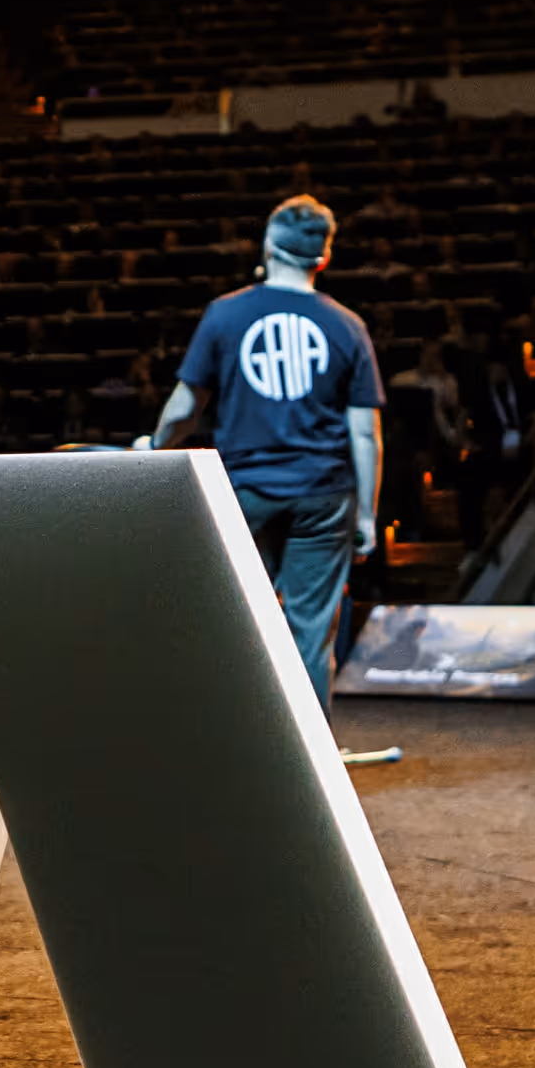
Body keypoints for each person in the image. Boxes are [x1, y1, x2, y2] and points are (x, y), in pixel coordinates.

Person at [146, 194, 383, 709]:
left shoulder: (226, 314)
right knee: (311, 635)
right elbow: (364, 432)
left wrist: (154, 445)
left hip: (246, 494)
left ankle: (228, 748)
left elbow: (187, 404)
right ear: (323, 258)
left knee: (230, 624)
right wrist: (368, 511)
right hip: (324, 495)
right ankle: (310, 772)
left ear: (268, 245)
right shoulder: (348, 326)